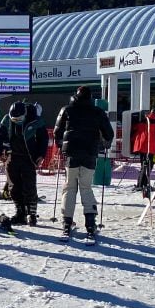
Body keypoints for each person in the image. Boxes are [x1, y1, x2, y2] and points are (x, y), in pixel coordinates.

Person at [53, 86, 114, 240]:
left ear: (76, 96)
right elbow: (109, 133)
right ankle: (90, 224)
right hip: (89, 154)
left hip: (71, 155)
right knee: (86, 187)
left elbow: (56, 132)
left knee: (69, 187)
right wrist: (103, 145)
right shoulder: (97, 112)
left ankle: (66, 223)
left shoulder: (66, 110)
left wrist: (62, 147)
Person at [0, 100, 49, 226]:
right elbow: (0, 136)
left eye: (19, 118)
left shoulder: (35, 120)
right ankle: (20, 212)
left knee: (29, 186)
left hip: (29, 157)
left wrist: (41, 155)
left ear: (24, 115)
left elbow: (43, 138)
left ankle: (32, 213)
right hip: (11, 156)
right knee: (13, 187)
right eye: (14, 119)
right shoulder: (6, 120)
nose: (16, 120)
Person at [130, 109, 155, 196]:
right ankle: (143, 184)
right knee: (148, 167)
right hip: (151, 147)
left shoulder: (143, 121)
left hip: (142, 147)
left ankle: (141, 184)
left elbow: (135, 129)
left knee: (144, 166)